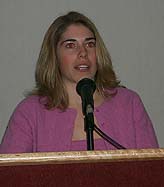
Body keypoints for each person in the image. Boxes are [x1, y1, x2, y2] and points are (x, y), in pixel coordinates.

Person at [0, 11, 159, 154]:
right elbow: (7, 177)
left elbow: (154, 173)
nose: (83, 53)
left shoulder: (129, 103)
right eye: (71, 45)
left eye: (90, 44)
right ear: (54, 56)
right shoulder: (29, 112)